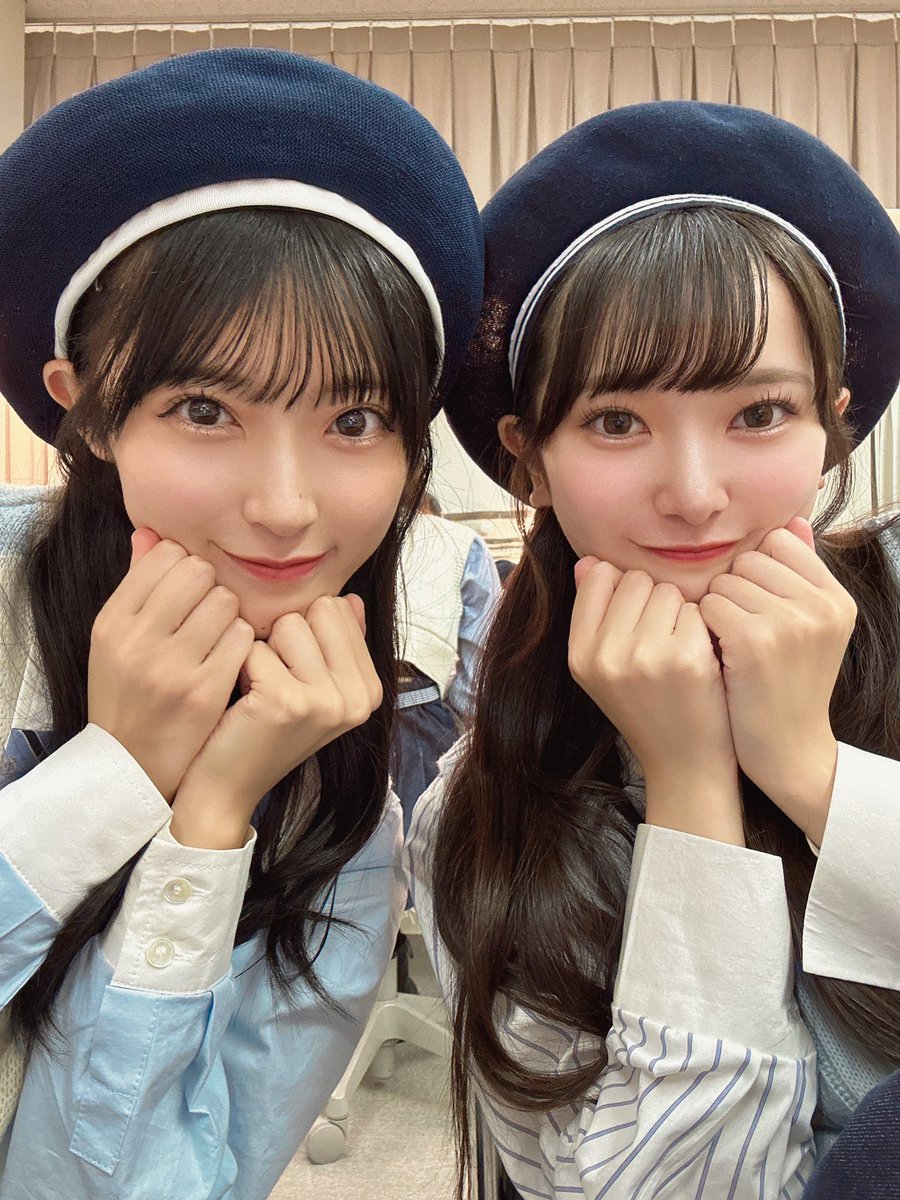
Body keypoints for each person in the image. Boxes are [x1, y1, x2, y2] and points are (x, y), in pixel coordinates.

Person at [0, 47, 482, 1198]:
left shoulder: (354, 781)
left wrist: (211, 812)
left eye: (354, 419)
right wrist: (113, 775)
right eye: (205, 408)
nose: (284, 506)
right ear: (89, 412)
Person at [405, 101, 900, 1199]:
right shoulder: (485, 810)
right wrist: (691, 788)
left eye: (759, 414)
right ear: (528, 458)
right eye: (616, 422)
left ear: (832, 426)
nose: (694, 493)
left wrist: (809, 769)